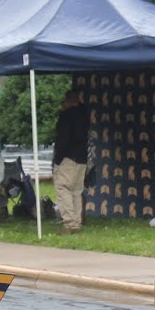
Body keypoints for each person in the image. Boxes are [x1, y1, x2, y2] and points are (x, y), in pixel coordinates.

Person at [52, 88, 89, 233]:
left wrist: (58, 158)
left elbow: (63, 139)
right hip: (82, 158)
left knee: (63, 188)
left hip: (67, 158)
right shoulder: (84, 115)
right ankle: (77, 221)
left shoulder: (66, 116)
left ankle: (69, 222)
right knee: (77, 191)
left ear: (68, 102)